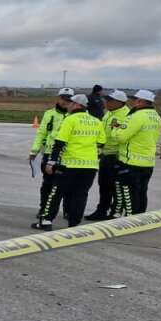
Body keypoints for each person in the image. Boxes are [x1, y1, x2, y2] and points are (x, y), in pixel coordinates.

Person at [38, 94, 104, 230]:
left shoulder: (70, 119)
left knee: (56, 192)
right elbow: (101, 142)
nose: (68, 105)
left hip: (69, 165)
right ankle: (74, 225)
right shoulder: (96, 121)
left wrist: (51, 162)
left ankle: (46, 221)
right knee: (80, 195)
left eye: (70, 103)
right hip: (90, 166)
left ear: (77, 105)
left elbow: (59, 142)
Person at [111, 89, 161, 216]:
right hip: (148, 162)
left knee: (130, 196)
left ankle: (131, 220)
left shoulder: (136, 116)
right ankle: (141, 219)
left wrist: (115, 128)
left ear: (141, 101)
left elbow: (120, 137)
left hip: (131, 162)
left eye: (135, 100)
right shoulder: (156, 117)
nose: (133, 102)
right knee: (142, 193)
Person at [29, 88, 73, 227]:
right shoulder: (49, 114)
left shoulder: (75, 115)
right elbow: (41, 133)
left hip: (68, 155)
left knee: (68, 185)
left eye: (69, 99)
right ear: (58, 99)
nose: (66, 102)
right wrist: (34, 150)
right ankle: (44, 209)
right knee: (47, 185)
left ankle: (68, 210)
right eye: (63, 98)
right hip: (49, 153)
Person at [86, 90, 129, 220]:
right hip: (106, 153)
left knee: (115, 186)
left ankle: (115, 212)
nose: (106, 102)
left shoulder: (125, 115)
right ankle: (102, 210)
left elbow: (121, 135)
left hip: (115, 155)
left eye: (110, 100)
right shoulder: (109, 113)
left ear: (120, 102)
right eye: (107, 99)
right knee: (104, 185)